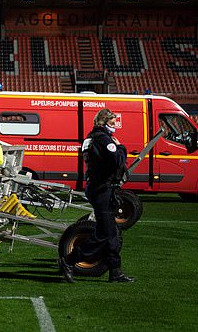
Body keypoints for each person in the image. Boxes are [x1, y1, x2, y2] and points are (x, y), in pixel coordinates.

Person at [60, 108, 135, 283]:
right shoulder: (103, 139)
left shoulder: (91, 138)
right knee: (106, 233)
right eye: (112, 123)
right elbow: (117, 160)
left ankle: (115, 271)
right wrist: (120, 146)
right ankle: (69, 260)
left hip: (98, 187)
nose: (115, 126)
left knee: (111, 233)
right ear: (103, 122)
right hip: (101, 189)